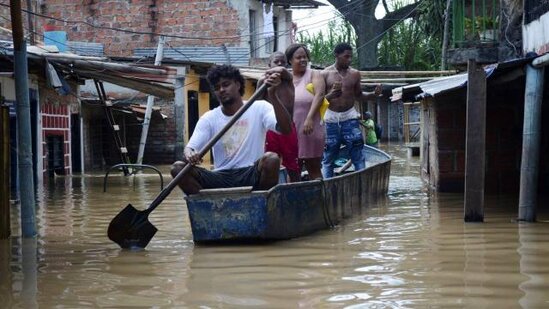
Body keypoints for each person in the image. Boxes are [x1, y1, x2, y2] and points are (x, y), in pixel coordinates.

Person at [171, 64, 292, 195]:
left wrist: (273, 95)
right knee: (177, 168)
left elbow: (286, 129)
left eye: (226, 84)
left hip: (250, 173)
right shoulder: (209, 118)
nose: (221, 90)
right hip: (221, 176)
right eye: (217, 88)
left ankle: (260, 202)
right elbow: (190, 148)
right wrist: (190, 154)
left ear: (238, 85)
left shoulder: (260, 107)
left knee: (272, 159)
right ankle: (209, 205)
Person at [321, 43, 381, 178]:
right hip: (330, 120)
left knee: (358, 157)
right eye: (346, 56)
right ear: (336, 55)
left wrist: (373, 94)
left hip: (350, 119)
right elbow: (318, 100)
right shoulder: (325, 74)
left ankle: (363, 186)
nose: (349, 60)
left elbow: (359, 95)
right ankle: (328, 189)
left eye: (350, 57)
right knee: (328, 159)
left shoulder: (354, 74)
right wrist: (331, 94)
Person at [257, 52, 300, 182]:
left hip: (288, 128)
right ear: (269, 65)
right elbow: (256, 105)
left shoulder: (288, 79)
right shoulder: (263, 82)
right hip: (270, 130)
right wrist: (263, 82)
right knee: (270, 161)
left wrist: (274, 71)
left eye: (283, 62)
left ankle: (296, 190)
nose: (280, 64)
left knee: (293, 164)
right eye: (277, 61)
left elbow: (282, 71)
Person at [285, 43, 326, 180]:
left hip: (310, 127)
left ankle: (321, 198)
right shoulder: (286, 78)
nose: (303, 60)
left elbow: (320, 95)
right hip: (291, 129)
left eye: (305, 57)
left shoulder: (314, 74)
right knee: (292, 169)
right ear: (290, 60)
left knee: (313, 167)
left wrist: (309, 118)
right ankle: (295, 198)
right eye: (298, 57)